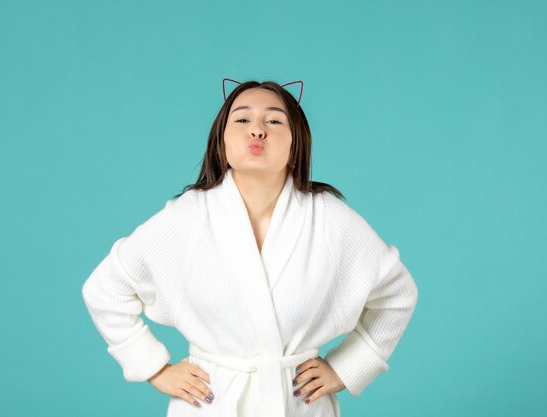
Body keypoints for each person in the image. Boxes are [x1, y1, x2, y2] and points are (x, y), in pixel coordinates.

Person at [81, 79, 419, 417]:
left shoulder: (330, 220)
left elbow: (397, 294)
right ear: (221, 140)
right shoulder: (186, 219)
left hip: (298, 404)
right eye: (242, 120)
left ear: (296, 142)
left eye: (274, 121)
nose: (257, 130)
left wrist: (348, 367)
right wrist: (154, 368)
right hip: (211, 405)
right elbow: (105, 291)